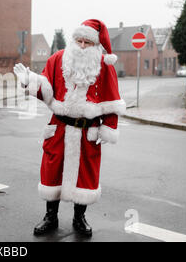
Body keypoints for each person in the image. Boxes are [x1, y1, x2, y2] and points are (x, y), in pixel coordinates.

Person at [14, 19, 126, 237]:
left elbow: (113, 100)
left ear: (95, 45)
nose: (82, 46)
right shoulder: (58, 59)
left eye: (87, 42)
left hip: (88, 131)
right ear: (74, 40)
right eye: (79, 40)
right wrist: (28, 81)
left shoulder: (104, 66)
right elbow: (45, 89)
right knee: (51, 172)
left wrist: (108, 127)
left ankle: (79, 217)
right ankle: (50, 217)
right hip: (59, 127)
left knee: (85, 175)